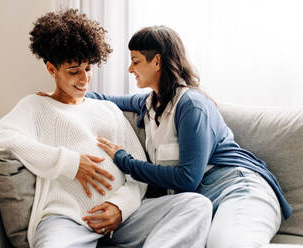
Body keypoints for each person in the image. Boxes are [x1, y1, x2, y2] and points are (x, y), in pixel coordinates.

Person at [0, 10, 212, 248]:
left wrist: (120, 207)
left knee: (196, 205)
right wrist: (69, 163)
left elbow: (137, 172)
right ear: (51, 69)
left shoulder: (106, 109)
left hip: (125, 218)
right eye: (73, 71)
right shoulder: (35, 106)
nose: (84, 78)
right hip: (67, 220)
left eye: (88, 69)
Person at [86, 25, 292, 248]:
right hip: (202, 204)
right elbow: (103, 98)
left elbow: (187, 179)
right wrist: (56, 95)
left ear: (156, 62)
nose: (129, 68)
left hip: (238, 190)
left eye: (135, 61)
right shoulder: (150, 102)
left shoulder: (191, 105)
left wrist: (124, 160)